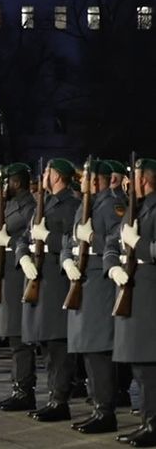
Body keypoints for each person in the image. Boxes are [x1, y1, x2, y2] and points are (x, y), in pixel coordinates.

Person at [61, 160, 125, 434]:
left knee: (97, 349)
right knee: (87, 350)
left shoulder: (110, 205)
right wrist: (66, 260)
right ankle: (98, 406)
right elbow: (70, 241)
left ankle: (105, 411)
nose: (81, 180)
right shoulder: (83, 203)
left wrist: (94, 239)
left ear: (97, 180)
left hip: (99, 283)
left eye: (85, 176)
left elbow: (117, 242)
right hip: (81, 280)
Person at [17, 158, 80, 422]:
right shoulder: (42, 203)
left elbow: (71, 241)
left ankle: (60, 400)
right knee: (45, 342)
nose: (43, 175)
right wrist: (22, 256)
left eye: (47, 172)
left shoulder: (72, 205)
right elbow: (25, 236)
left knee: (57, 343)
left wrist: (48, 238)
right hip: (37, 277)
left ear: (57, 177)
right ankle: (54, 395)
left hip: (56, 279)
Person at [107, 157, 156, 446]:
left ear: (145, 180)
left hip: (148, 294)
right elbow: (113, 242)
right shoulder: (135, 208)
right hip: (131, 289)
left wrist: (137, 245)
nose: (128, 182)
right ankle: (148, 422)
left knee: (148, 365)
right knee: (140, 364)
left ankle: (152, 424)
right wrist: (113, 266)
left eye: (133, 177)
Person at [0, 163, 37, 412]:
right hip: (5, 274)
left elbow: (26, 238)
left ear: (16, 183)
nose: (3, 188)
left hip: (19, 274)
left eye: (6, 183)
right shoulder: (7, 205)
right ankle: (18, 386)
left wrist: (7, 241)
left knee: (20, 337)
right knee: (12, 335)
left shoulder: (29, 207)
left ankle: (24, 390)